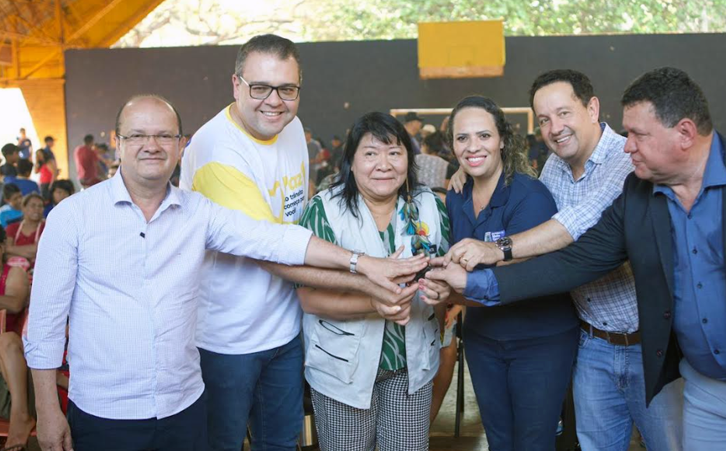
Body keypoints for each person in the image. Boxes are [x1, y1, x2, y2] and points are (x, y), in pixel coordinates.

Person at [432, 67, 726, 451]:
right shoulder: (630, 189)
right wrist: (475, 283)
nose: (627, 145)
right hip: (676, 378)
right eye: (543, 119)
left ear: (684, 132)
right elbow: (576, 261)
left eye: (637, 135)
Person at [24, 94, 424, 451]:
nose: (152, 145)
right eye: (137, 136)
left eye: (165, 136)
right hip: (105, 412)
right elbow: (44, 325)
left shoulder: (197, 213)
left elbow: (274, 240)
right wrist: (45, 410)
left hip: (183, 407)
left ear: (182, 145)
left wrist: (361, 262)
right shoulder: (72, 217)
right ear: (117, 143)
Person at [179, 34, 426, 450]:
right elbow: (269, 250)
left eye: (287, 89)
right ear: (236, 84)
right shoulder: (216, 151)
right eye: (260, 87)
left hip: (287, 328)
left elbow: (301, 210)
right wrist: (365, 271)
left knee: (280, 442)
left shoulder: (290, 127)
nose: (274, 101)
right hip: (228, 337)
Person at [445, 70, 683, 451]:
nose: (555, 128)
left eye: (563, 113)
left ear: (591, 108)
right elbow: (511, 182)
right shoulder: (554, 167)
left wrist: (497, 248)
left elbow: (572, 225)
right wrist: (471, 164)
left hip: (646, 344)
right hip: (591, 341)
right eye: (544, 120)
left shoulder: (626, 162)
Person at [296, 112, 449, 451]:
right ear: (351, 161)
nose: (384, 164)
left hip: (411, 367)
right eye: (370, 153)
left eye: (394, 153)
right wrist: (374, 303)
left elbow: (444, 273)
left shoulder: (429, 207)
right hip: (341, 369)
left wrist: (442, 290)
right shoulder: (325, 210)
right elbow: (308, 298)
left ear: (409, 160)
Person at [439, 95, 580, 451]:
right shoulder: (456, 195)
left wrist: (448, 292)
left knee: (533, 441)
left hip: (538, 341)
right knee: (499, 439)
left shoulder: (529, 196)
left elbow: (523, 278)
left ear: (502, 139)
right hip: (484, 338)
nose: (473, 147)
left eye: (484, 136)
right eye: (462, 138)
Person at [0, 222, 35, 450]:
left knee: (1, 340)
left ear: (2, 247)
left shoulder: (14, 273)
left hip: (19, 362)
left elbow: (14, 304)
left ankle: (21, 415)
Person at [4, 193, 45, 271]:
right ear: (23, 208)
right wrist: (30, 255)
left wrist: (11, 249)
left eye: (40, 206)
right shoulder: (12, 228)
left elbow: (38, 250)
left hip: (38, 271)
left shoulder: (46, 227)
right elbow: (5, 252)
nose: (37, 209)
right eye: (33, 205)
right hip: (13, 272)